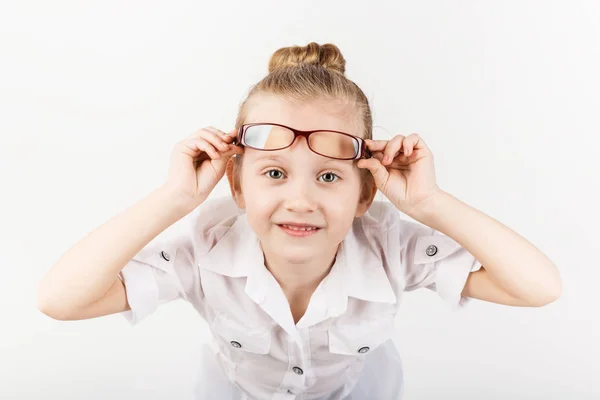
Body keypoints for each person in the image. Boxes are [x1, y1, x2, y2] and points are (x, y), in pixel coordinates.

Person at [37, 42, 562, 400]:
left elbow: (538, 287)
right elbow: (61, 300)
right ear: (237, 184)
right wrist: (176, 197)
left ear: (364, 194)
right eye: (274, 172)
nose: (301, 199)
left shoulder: (389, 244)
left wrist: (430, 204)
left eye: (330, 178)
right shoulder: (205, 246)